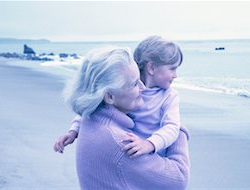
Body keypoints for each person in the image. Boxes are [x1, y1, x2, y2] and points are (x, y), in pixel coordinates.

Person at [57, 46, 189, 189]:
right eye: (134, 84)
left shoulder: (91, 119)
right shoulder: (120, 142)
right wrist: (178, 130)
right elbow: (178, 180)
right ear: (109, 96)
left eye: (140, 79)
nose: (142, 88)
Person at [54, 36, 184, 158]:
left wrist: (149, 144)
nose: (175, 75)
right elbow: (94, 106)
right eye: (172, 69)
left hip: (154, 155)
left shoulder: (169, 97)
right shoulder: (126, 88)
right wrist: (73, 131)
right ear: (151, 68)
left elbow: (172, 128)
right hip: (125, 150)